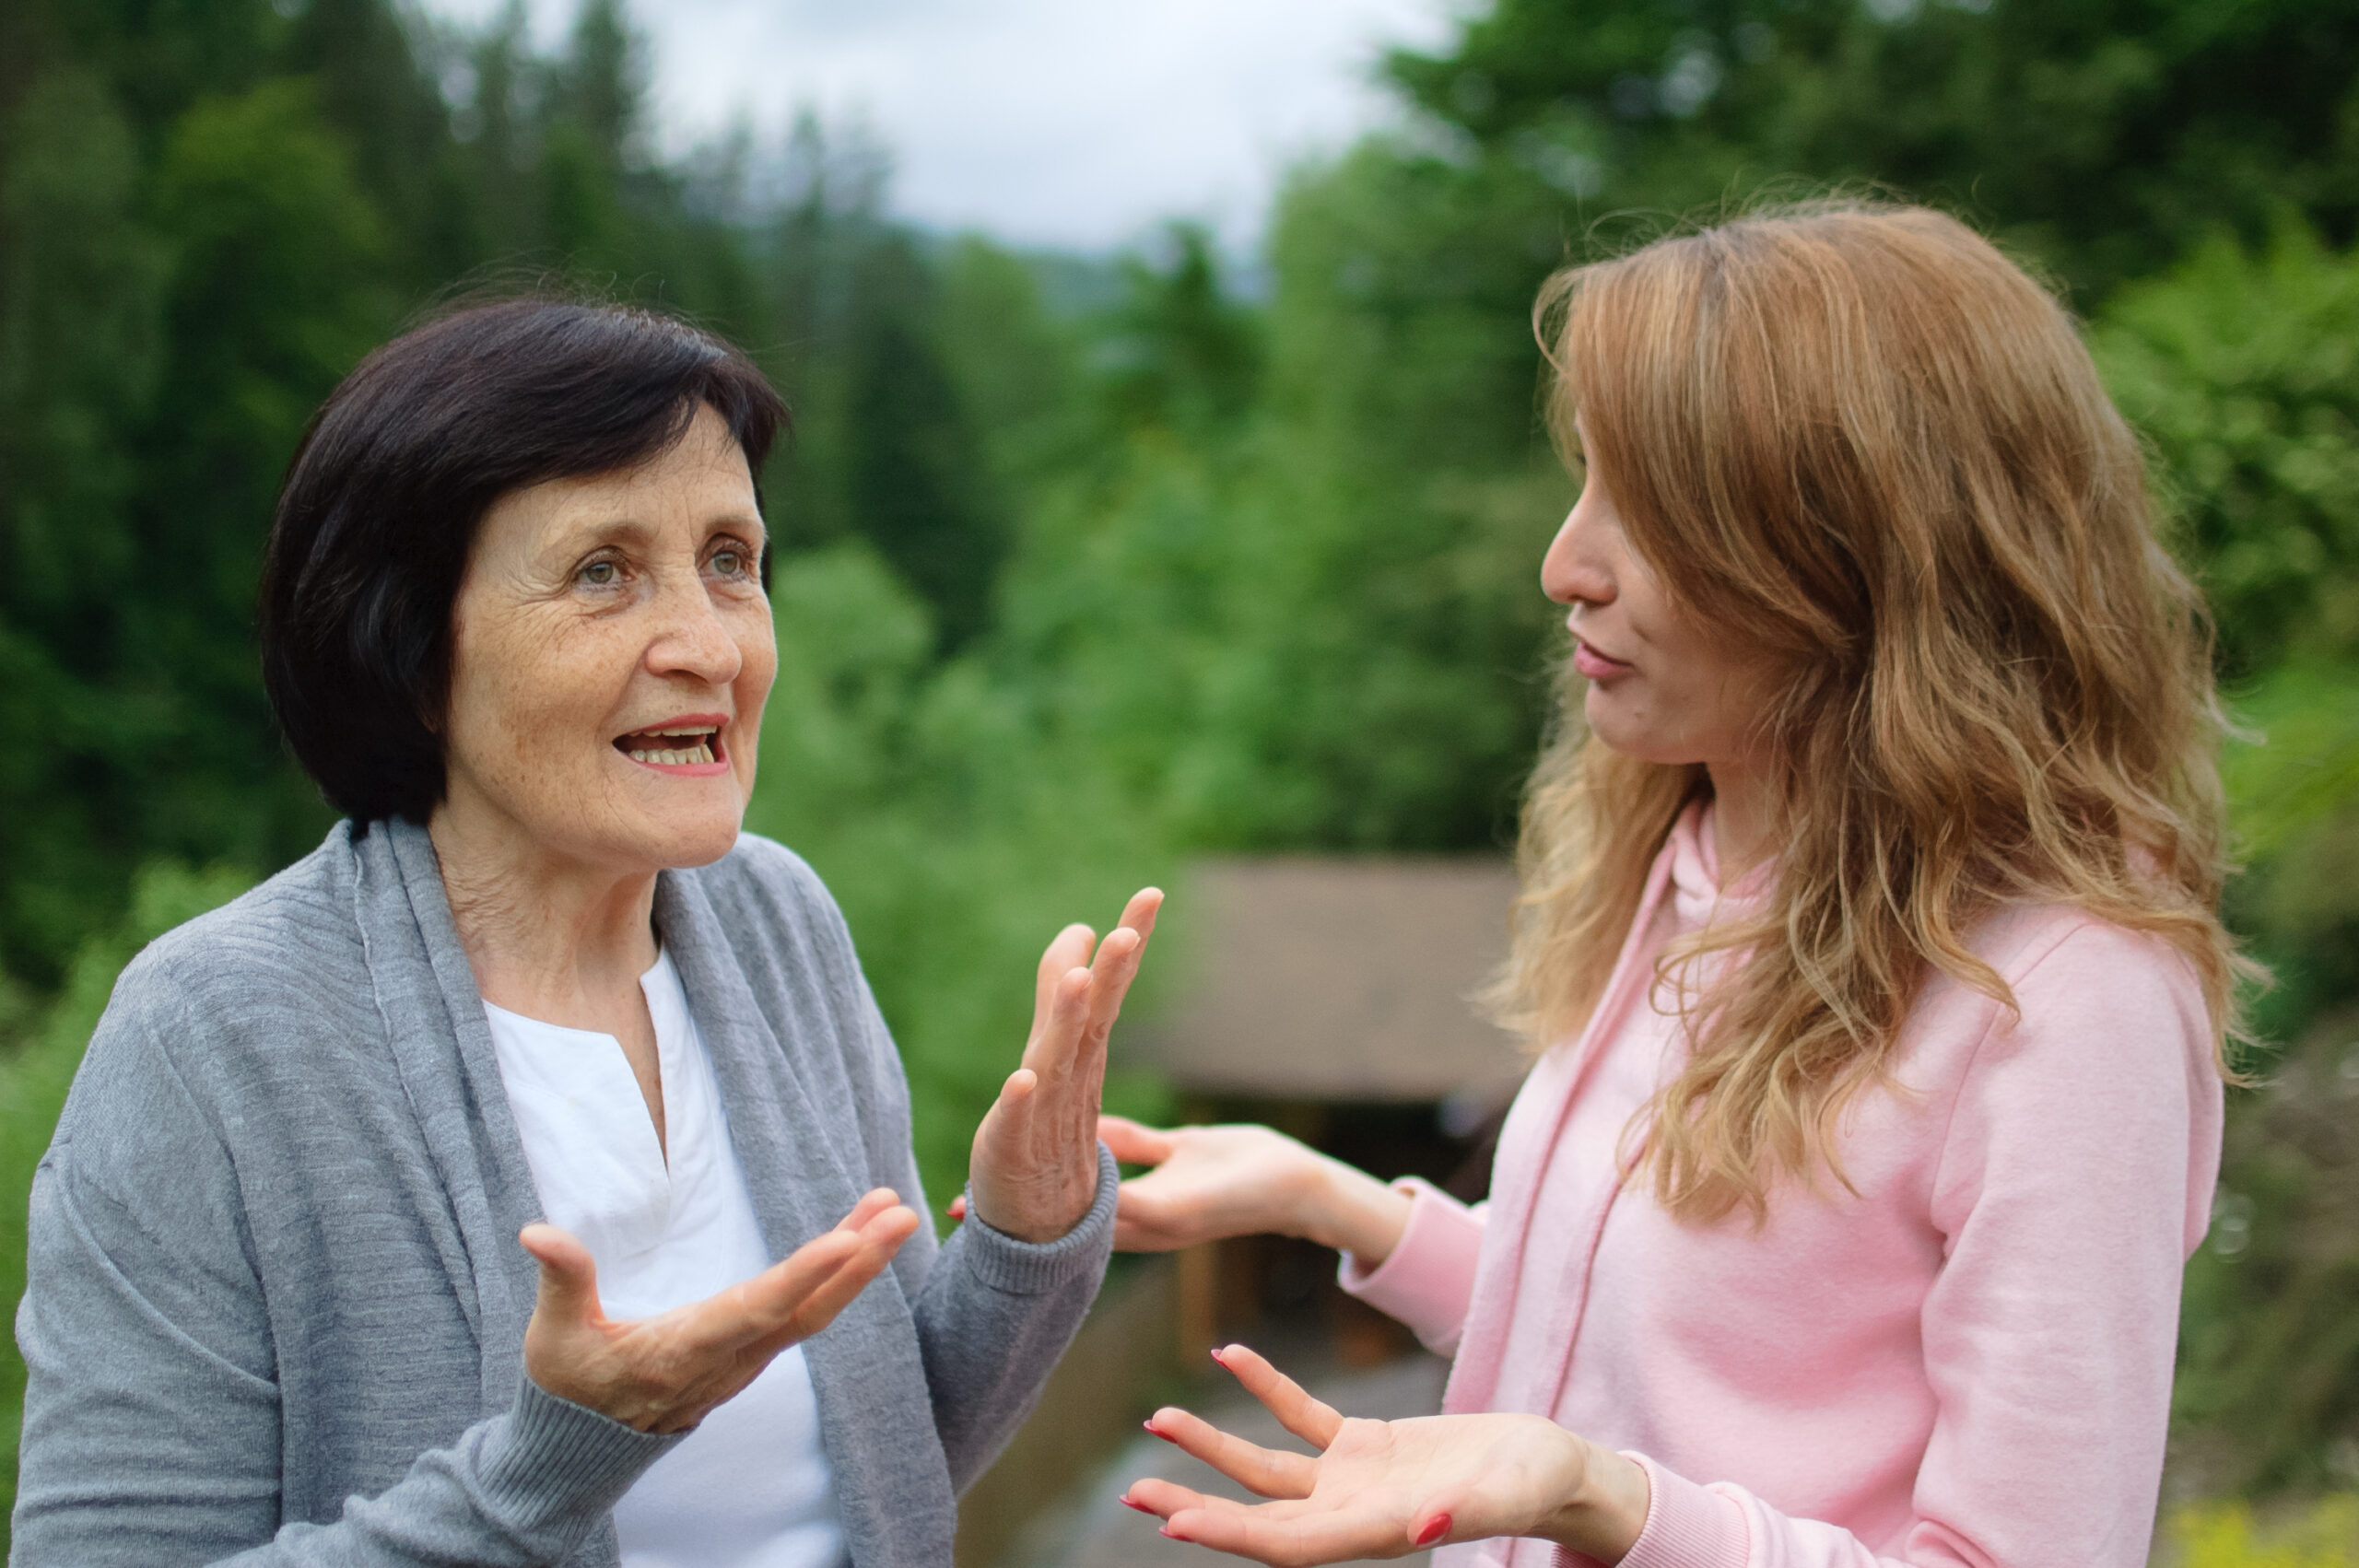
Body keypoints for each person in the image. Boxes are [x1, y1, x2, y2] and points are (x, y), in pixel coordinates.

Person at [1103, 204, 2240, 1567]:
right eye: (1583, 483)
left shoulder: (2068, 1003)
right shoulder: (1689, 857)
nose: (1563, 566)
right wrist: (1340, 1202)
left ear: (1855, 554)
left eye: (1643, 509)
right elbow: (1645, 1344)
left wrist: (1606, 1500)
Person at [10, 298, 1159, 1568]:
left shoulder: (779, 924)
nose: (709, 643)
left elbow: (884, 1463)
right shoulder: (209, 1039)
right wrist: (547, 1467)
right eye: (602, 571)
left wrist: (1028, 1234)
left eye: (730, 558)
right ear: (410, 645)